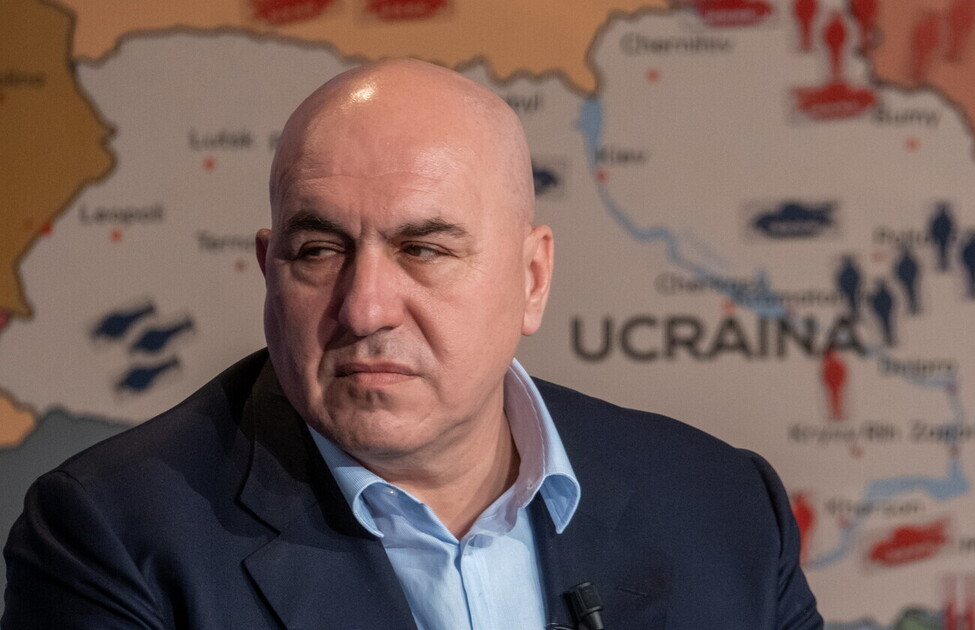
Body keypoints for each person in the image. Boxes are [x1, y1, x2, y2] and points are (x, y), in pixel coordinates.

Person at [2, 59, 823, 629]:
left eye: (423, 250)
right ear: (268, 270)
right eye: (317, 251)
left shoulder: (723, 508)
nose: (364, 308)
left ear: (532, 279)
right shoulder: (114, 536)